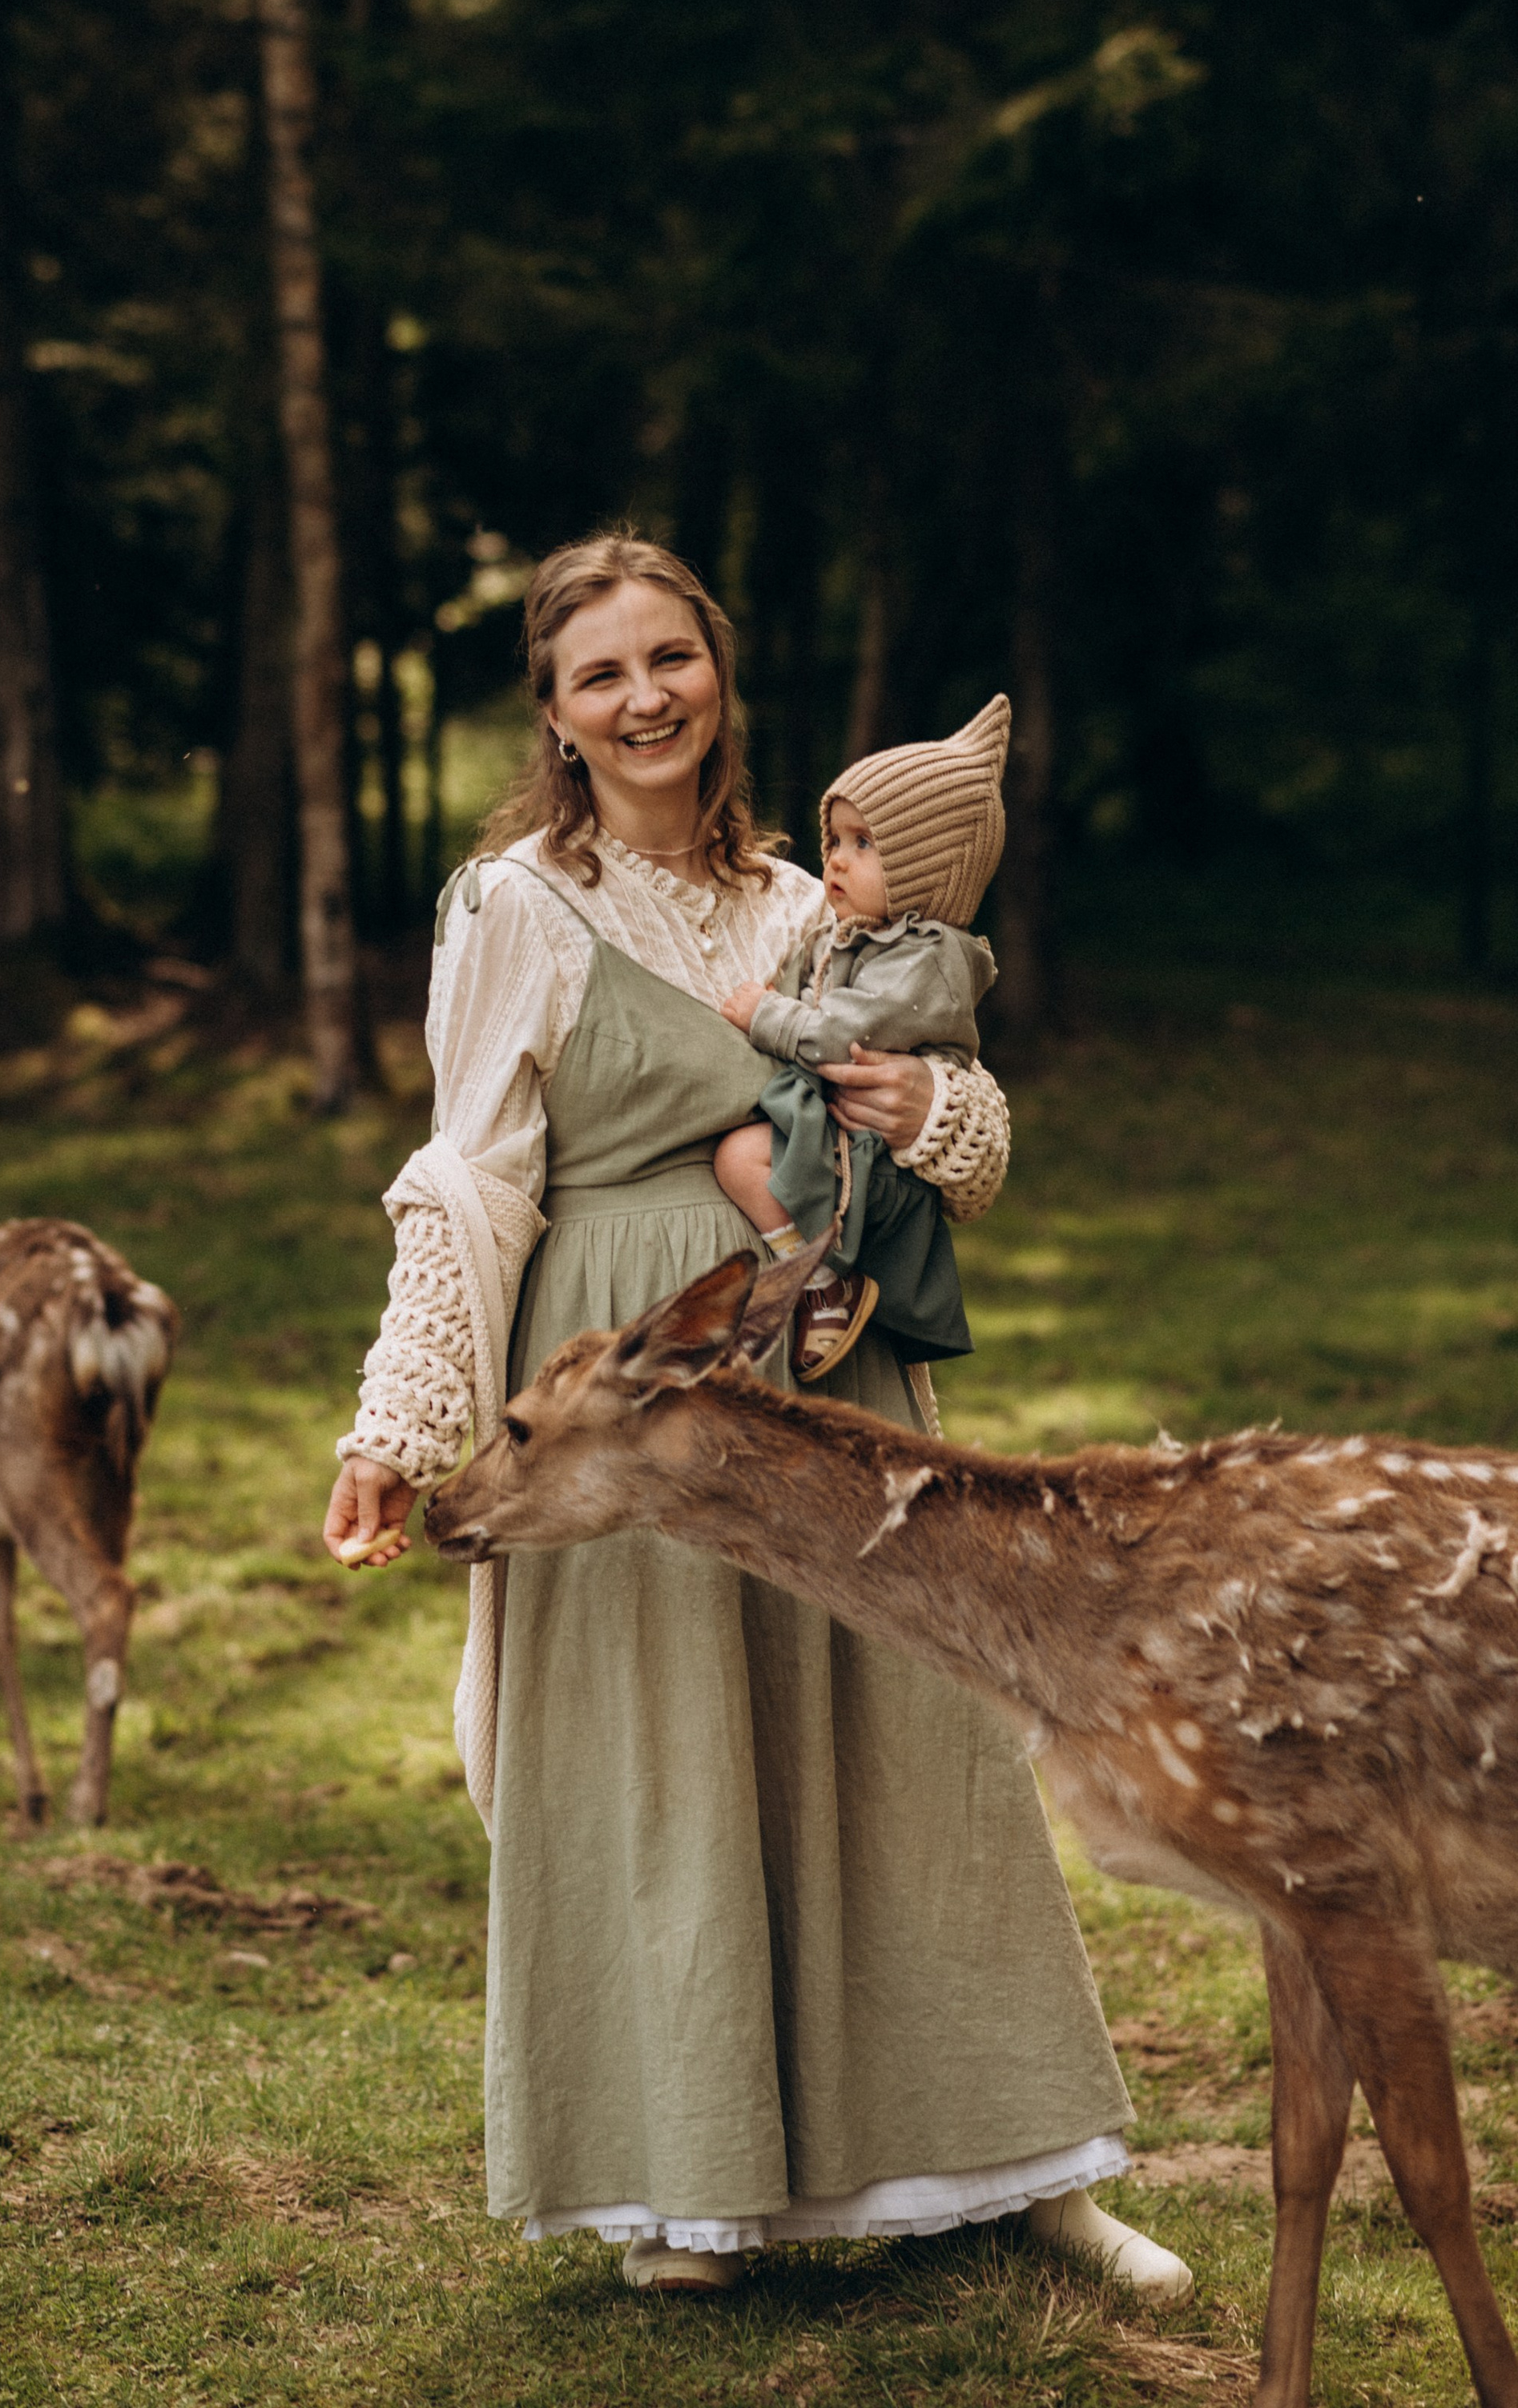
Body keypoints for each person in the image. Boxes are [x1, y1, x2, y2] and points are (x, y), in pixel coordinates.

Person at [322, 533, 1189, 2305]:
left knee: (916, 1742)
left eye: (670, 659)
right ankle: (682, 2185)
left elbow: (980, 1144)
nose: (644, 698)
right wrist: (402, 1424)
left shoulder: (815, 898)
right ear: (555, 718)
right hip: (630, 1374)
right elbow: (470, 1178)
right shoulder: (511, 906)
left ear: (715, 673)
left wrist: (929, 1102)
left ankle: (1017, 2160)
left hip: (827, 1363)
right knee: (656, 1752)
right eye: (599, 675)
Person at [710, 699, 1009, 1382]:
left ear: (924, 869)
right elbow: (799, 990)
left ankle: (820, 1278)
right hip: (839, 1136)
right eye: (835, 841)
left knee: (741, 1158)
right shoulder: (848, 937)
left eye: (864, 844)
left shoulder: (926, 956)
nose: (837, 861)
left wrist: (765, 1016)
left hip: (867, 1155)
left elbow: (843, 1034)